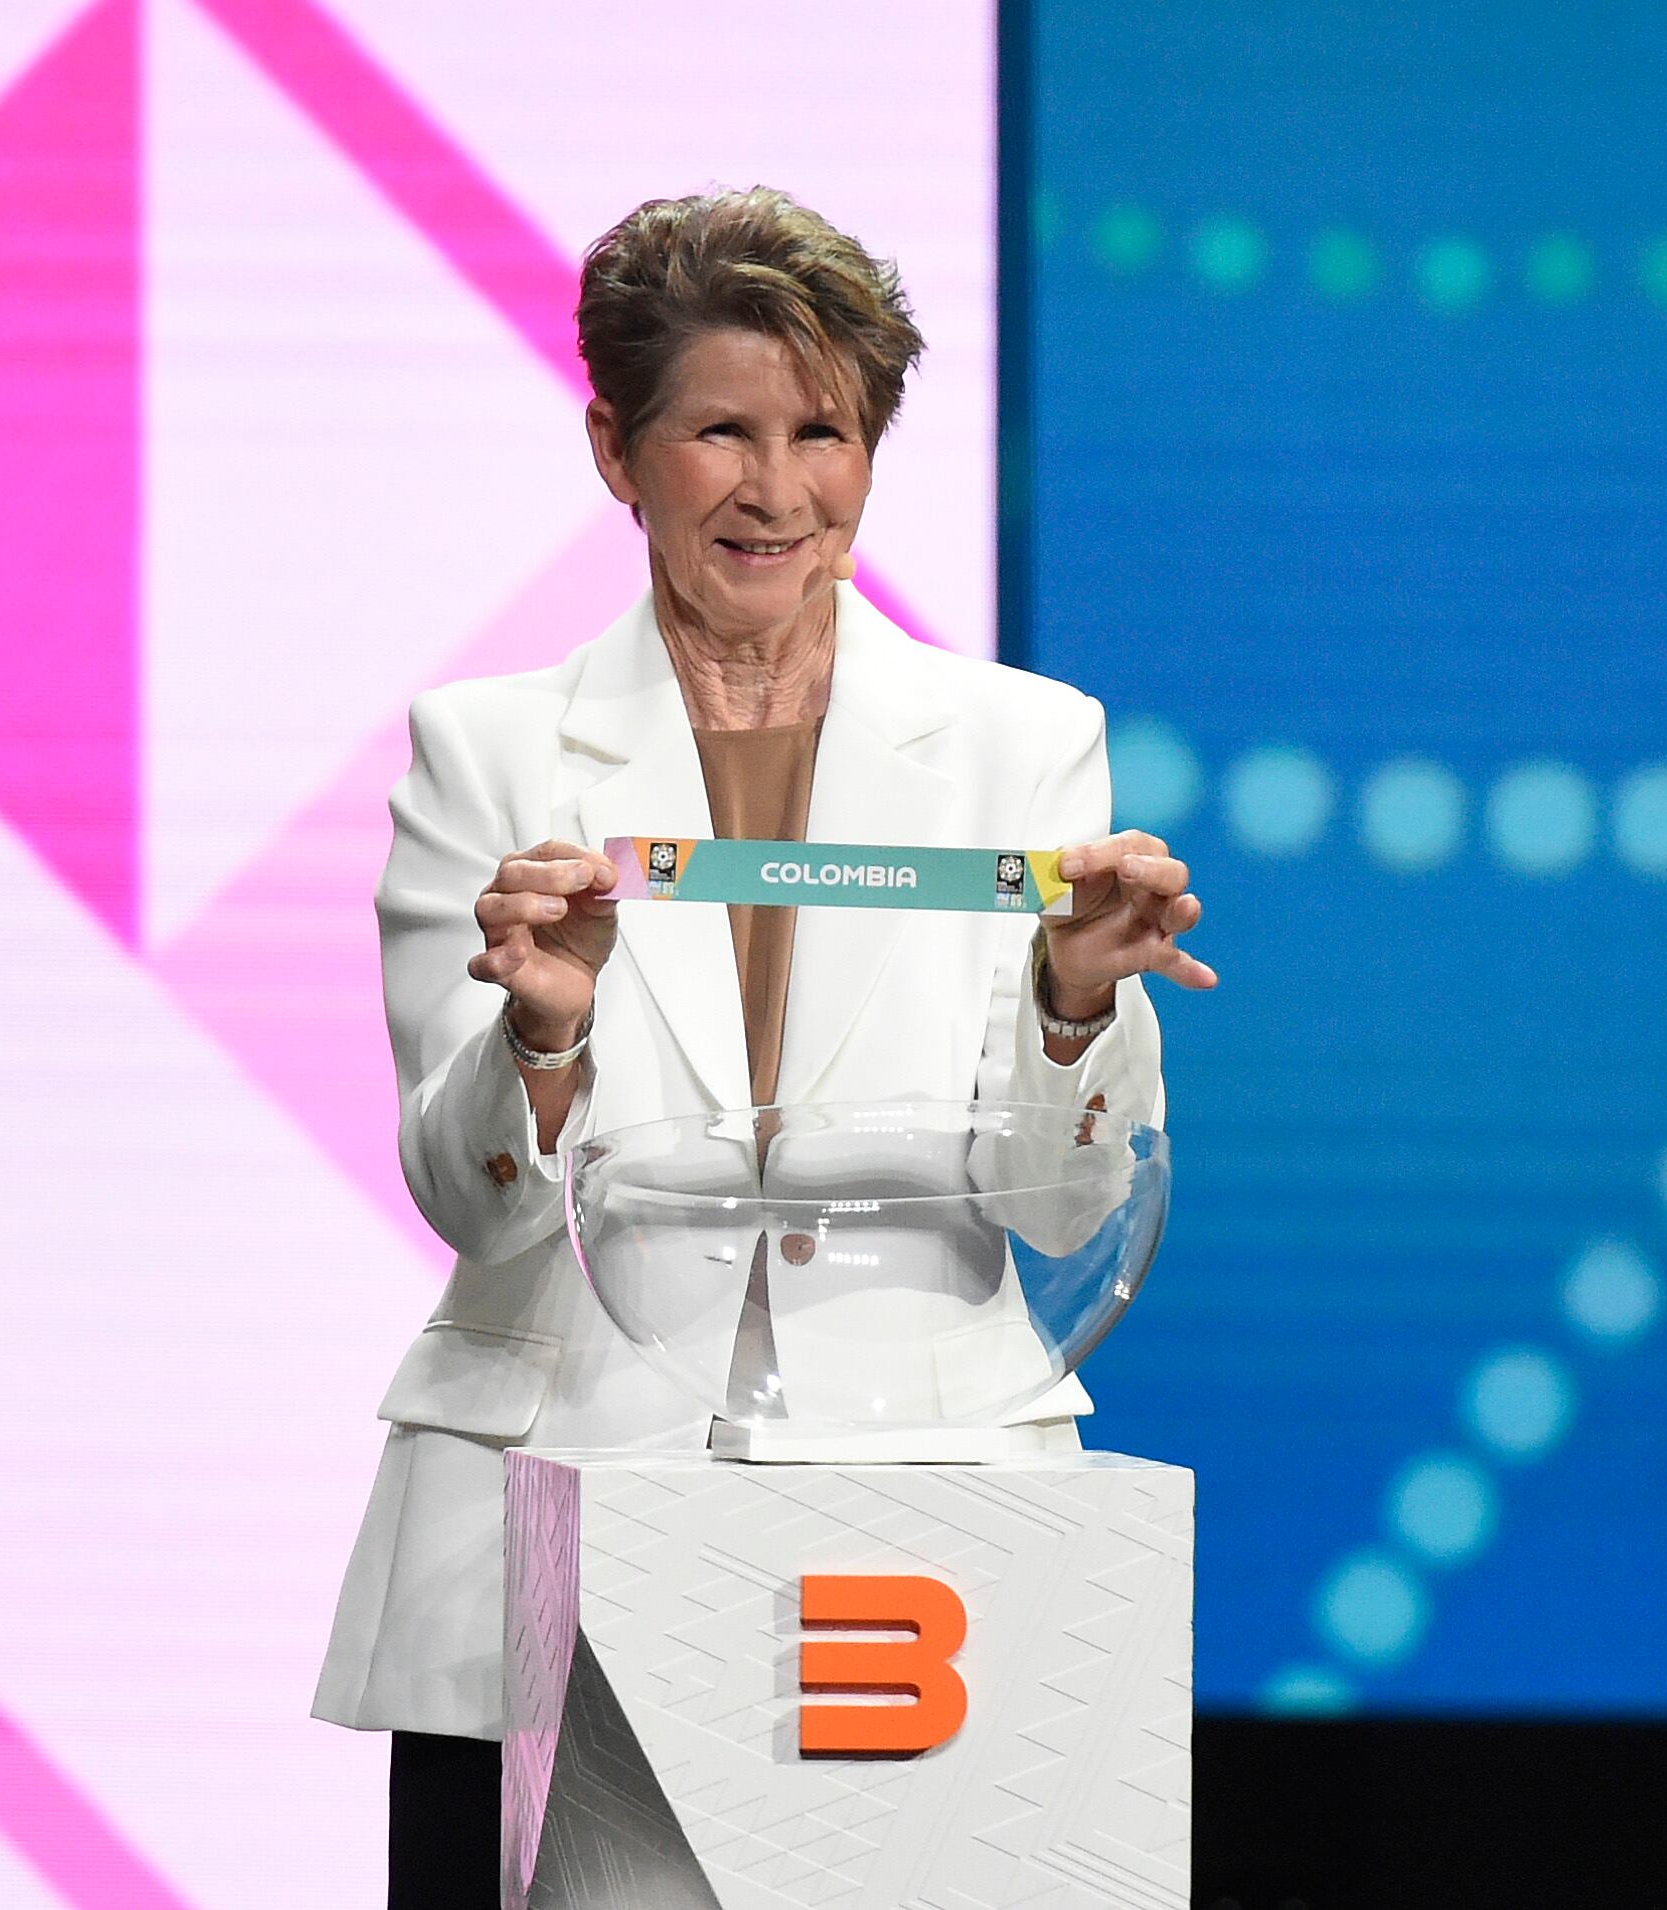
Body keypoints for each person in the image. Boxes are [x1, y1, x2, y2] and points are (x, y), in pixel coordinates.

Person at [311, 186, 1214, 1906]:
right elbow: (467, 1196)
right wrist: (544, 1035)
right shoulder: (491, 749)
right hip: (557, 1514)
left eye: (824, 432)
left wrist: (1077, 1001)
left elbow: (1052, 1204)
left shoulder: (1021, 746)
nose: (776, 489)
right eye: (720, 429)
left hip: (919, 1532)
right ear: (616, 446)